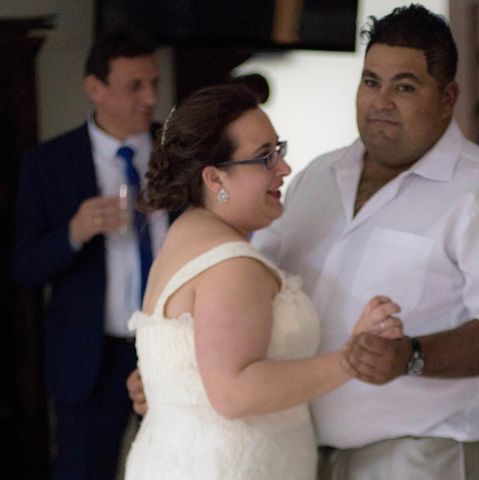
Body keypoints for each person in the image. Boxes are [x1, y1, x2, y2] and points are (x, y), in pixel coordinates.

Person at [129, 5, 479, 479]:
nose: (381, 101)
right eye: (371, 81)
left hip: (424, 455)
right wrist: (179, 372)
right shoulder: (317, 178)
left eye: (405, 86)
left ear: (447, 96)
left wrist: (411, 356)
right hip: (300, 452)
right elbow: (240, 298)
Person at [123, 84, 403, 480]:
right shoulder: (231, 264)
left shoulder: (185, 235)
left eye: (279, 150)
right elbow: (233, 392)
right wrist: (350, 360)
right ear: (215, 178)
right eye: (264, 158)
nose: (284, 169)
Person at [12, 30, 169, 480]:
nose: (150, 99)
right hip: (89, 358)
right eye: (134, 86)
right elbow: (23, 268)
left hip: (170, 349)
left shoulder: (180, 154)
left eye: (154, 84)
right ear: (94, 88)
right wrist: (73, 233)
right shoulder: (49, 163)